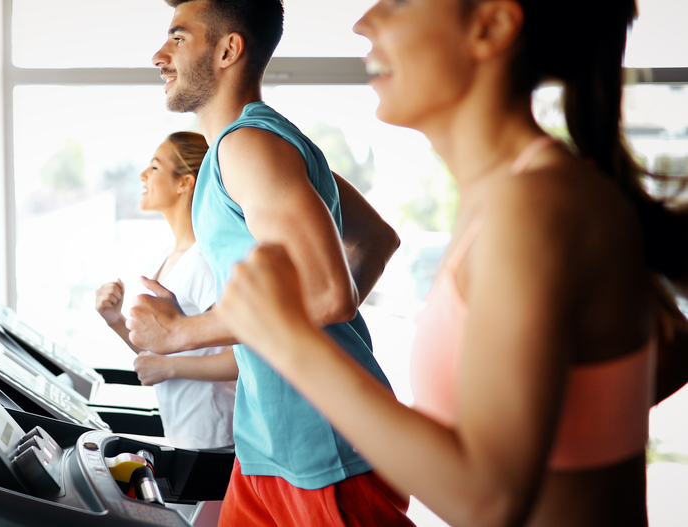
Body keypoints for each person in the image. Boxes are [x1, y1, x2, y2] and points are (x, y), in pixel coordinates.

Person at [216, 1, 688, 526]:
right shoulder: (512, 196)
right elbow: (666, 352)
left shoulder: (534, 205)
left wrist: (289, 340)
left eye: (399, 2)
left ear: (490, 26)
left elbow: (488, 502)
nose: (363, 22)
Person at [128, 1, 409, 525]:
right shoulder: (247, 146)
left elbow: (328, 294)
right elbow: (375, 241)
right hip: (265, 437)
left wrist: (180, 333)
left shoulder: (250, 145)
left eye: (178, 38)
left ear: (228, 50)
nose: (159, 55)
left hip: (322, 440)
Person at [95, 131, 238, 450]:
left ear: (184, 183)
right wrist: (115, 320)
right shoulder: (167, 257)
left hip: (215, 439)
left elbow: (244, 359)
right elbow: (162, 351)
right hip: (184, 433)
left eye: (155, 167)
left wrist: (170, 368)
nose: (143, 175)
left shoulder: (203, 262)